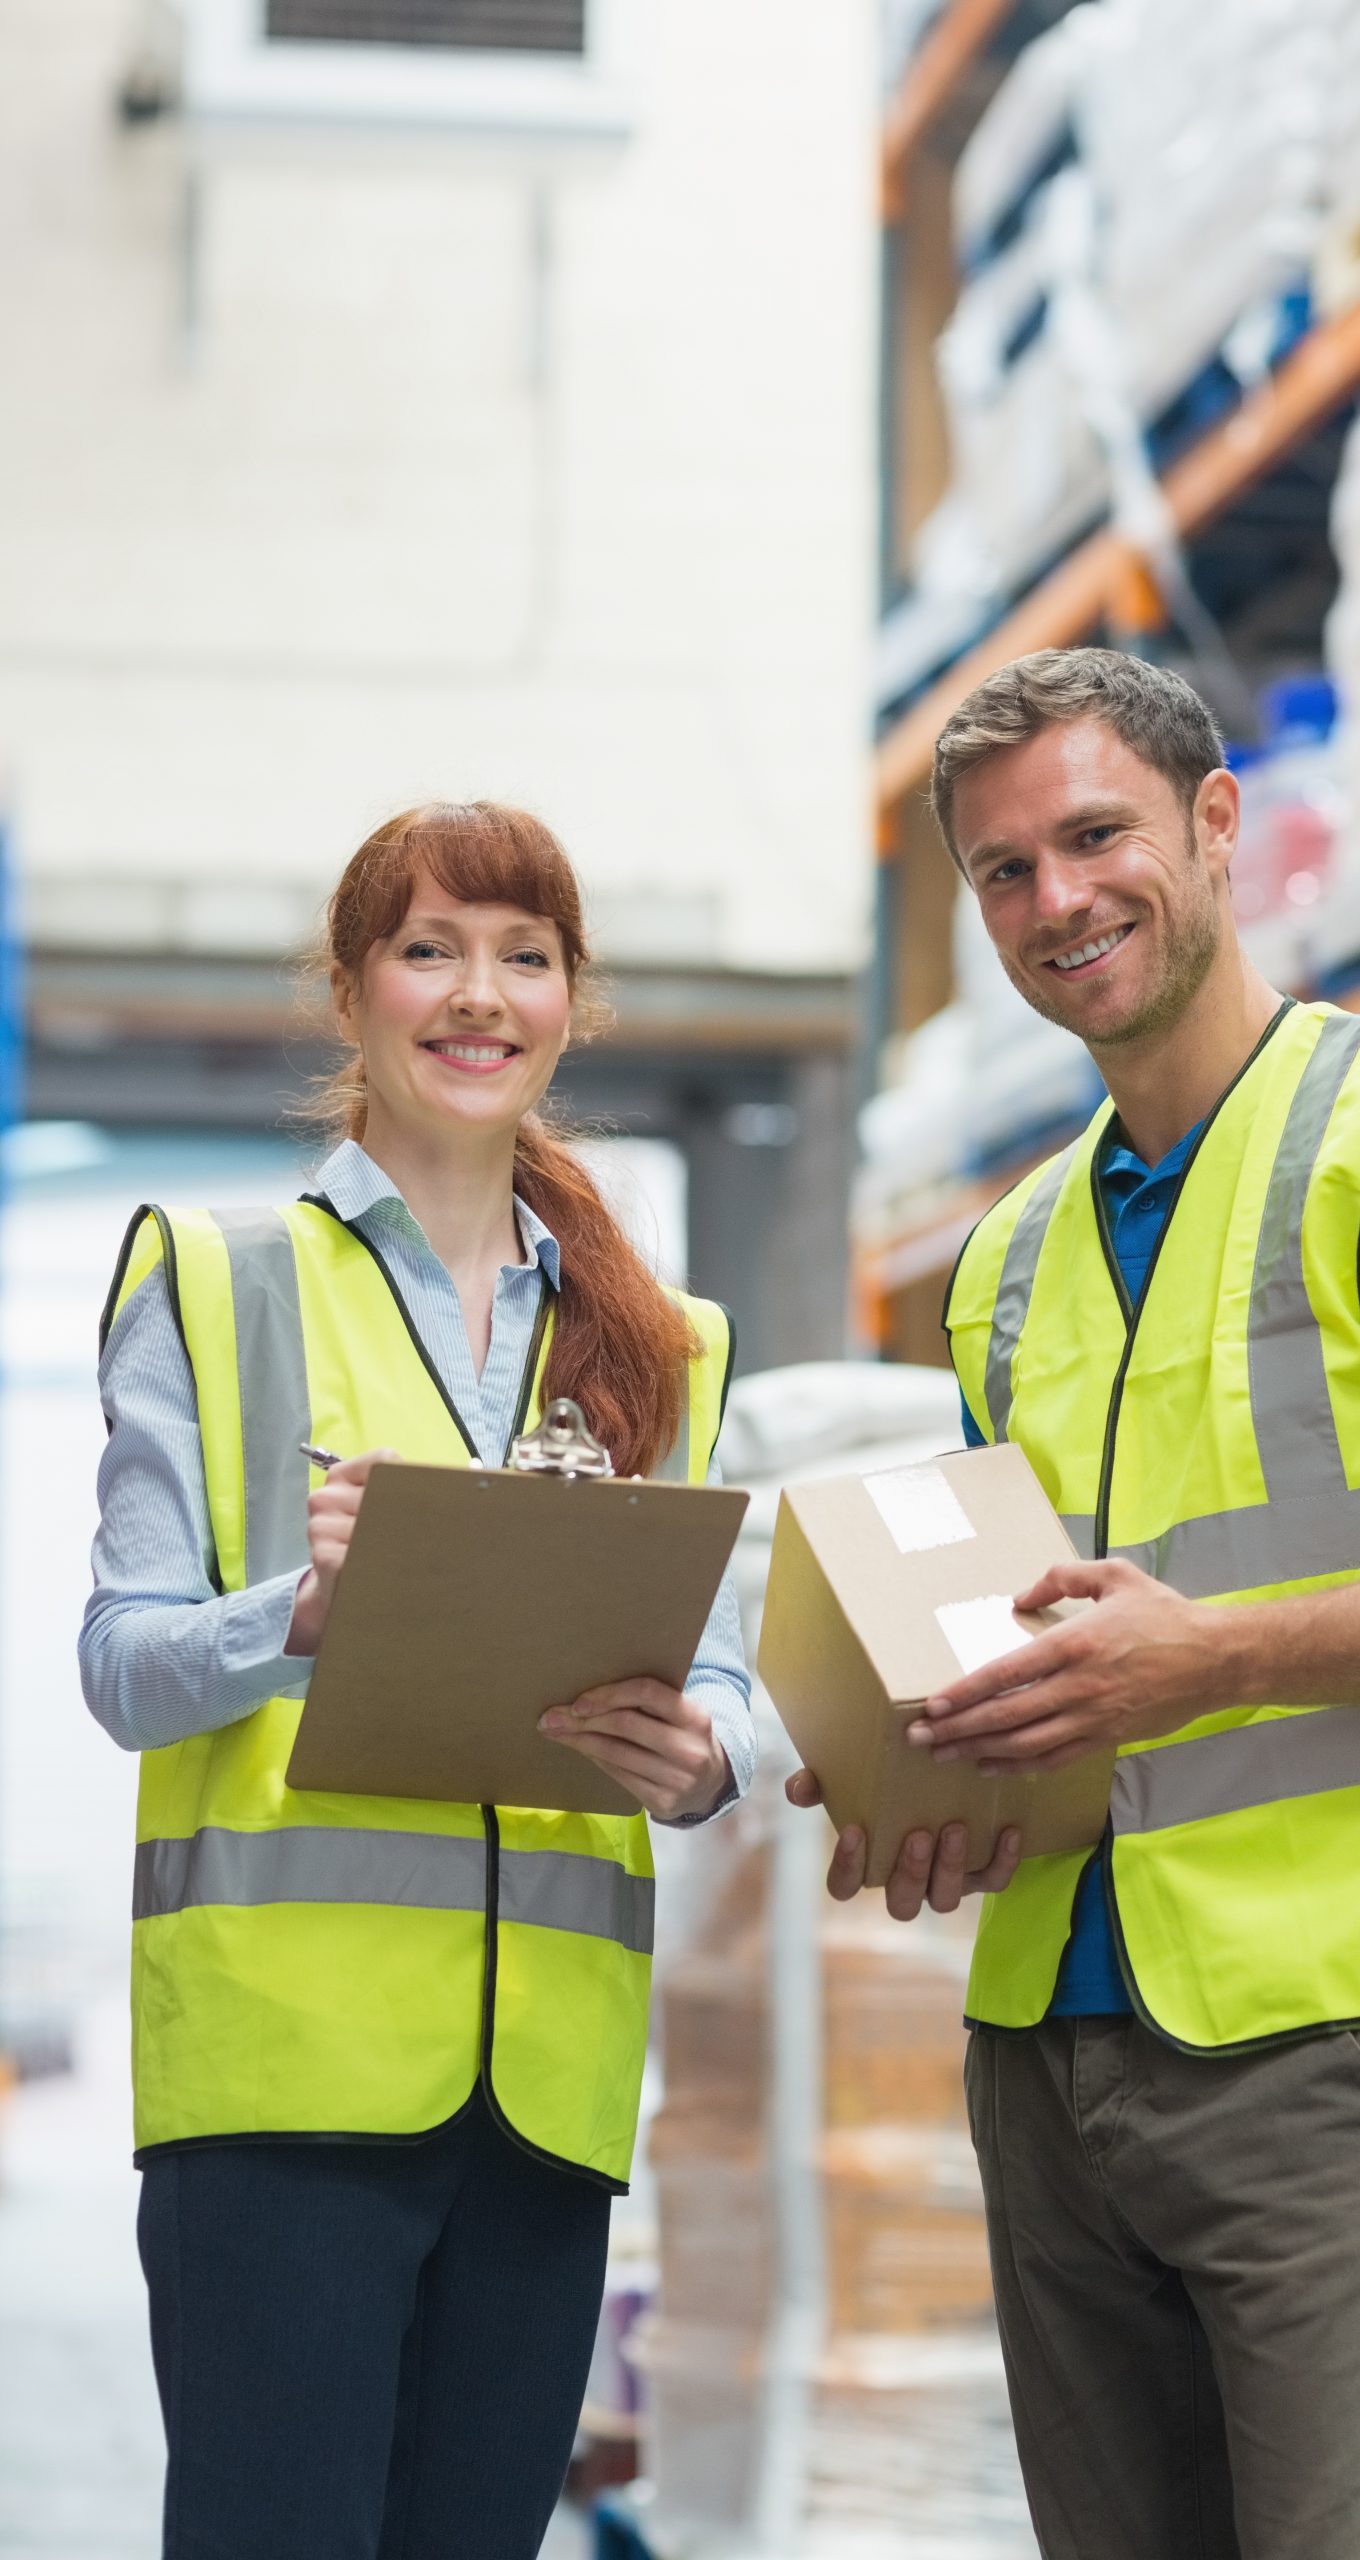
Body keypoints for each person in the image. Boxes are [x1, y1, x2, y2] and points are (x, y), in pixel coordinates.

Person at [788, 649, 1360, 2560]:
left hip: (1313, 2041)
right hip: (1041, 2041)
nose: (1057, 902)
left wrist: (1219, 1658)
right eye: (1004, 871)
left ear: (1216, 824)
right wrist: (913, 1768)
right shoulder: (1013, 1251)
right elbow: (1038, 1630)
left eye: (1095, 835)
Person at [80, 801, 752, 2560]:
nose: (481, 997)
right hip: (282, 2087)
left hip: (544, 2101)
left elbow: (734, 1685)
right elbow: (123, 1668)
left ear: (569, 1002)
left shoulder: (658, 1339)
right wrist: (298, 1611)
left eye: (524, 957)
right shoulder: (217, 1281)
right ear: (352, 989)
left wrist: (704, 1762)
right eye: (432, 949)